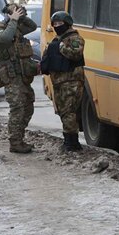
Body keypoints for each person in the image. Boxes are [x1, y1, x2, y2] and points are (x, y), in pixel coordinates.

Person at [0, 3, 38, 154]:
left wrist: (21, 17)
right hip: (10, 75)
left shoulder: (15, 28)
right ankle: (15, 142)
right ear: (7, 15)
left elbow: (33, 26)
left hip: (22, 75)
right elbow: (6, 38)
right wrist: (13, 20)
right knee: (17, 108)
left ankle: (19, 137)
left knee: (28, 105)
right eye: (14, 12)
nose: (17, 14)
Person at [41, 10, 86, 152]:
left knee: (68, 112)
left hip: (71, 82)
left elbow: (75, 53)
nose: (57, 26)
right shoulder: (56, 39)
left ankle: (71, 143)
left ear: (67, 24)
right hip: (59, 82)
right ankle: (70, 141)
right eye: (55, 24)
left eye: (60, 23)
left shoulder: (74, 38)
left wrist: (60, 46)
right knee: (63, 112)